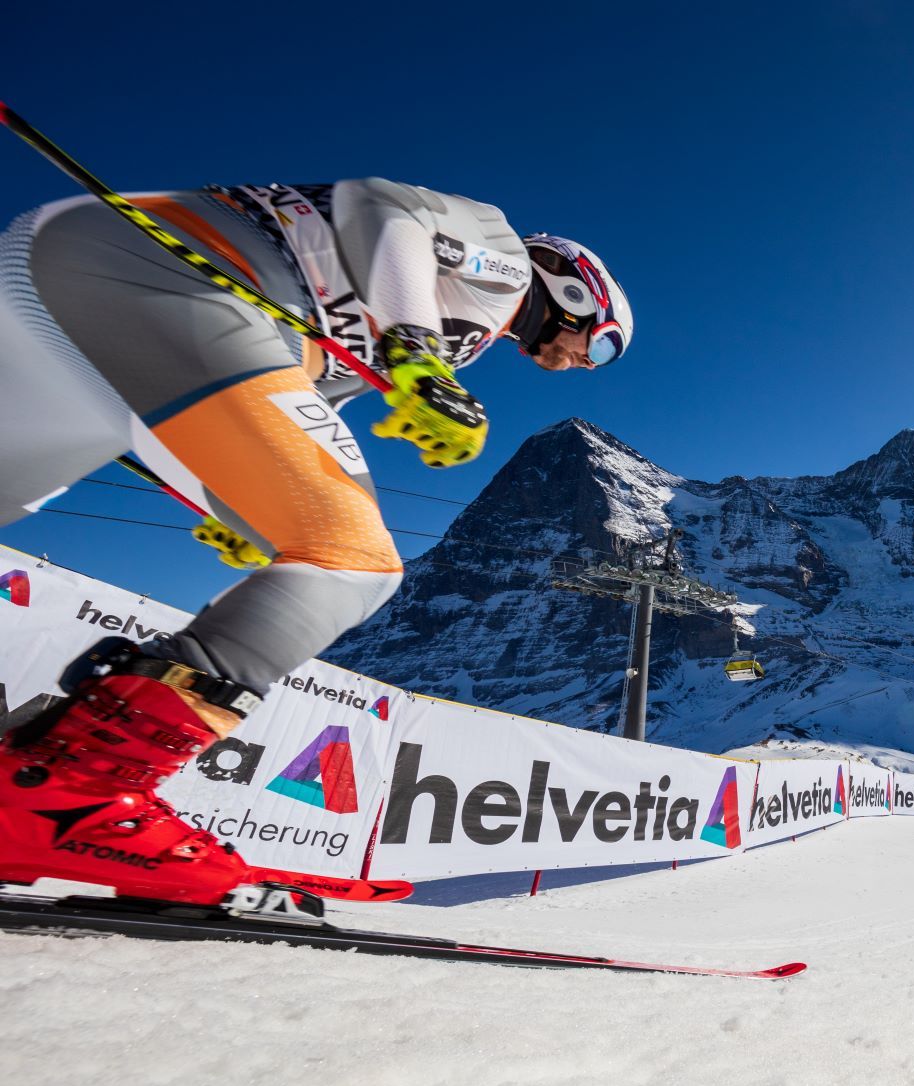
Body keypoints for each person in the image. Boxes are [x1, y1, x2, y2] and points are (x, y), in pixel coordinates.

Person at [0, 179, 632, 903]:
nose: (586, 362)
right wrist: (416, 350)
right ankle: (72, 796)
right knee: (353, 559)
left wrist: (237, 503)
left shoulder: (456, 329)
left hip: (77, 287)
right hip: (175, 279)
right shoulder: (505, 266)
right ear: (579, 293)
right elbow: (386, 214)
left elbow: (303, 398)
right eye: (602, 345)